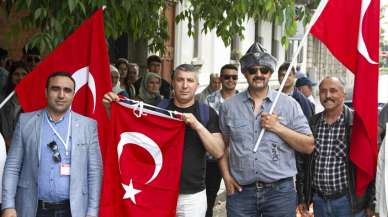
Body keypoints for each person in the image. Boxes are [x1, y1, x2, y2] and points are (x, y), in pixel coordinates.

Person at [103, 64, 225, 217]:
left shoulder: (207, 113)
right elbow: (129, 131)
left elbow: (218, 151)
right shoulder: (157, 109)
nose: (185, 85)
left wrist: (197, 125)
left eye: (190, 80)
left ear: (197, 85)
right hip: (158, 192)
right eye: (180, 80)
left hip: (191, 196)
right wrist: (111, 109)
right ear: (173, 82)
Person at [218, 43, 314, 217]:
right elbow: (221, 147)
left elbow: (308, 146)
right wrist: (226, 177)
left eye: (264, 70)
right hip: (241, 194)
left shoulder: (289, 105)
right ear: (245, 73)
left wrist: (277, 128)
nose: (259, 74)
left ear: (270, 73)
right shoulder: (229, 107)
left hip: (280, 193)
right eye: (253, 70)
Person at [1, 72, 103, 217]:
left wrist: (92, 212)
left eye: (67, 90)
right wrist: (8, 205)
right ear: (46, 92)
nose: (61, 95)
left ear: (74, 94)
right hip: (32, 209)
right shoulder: (25, 122)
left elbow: (94, 172)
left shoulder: (88, 126)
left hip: (73, 211)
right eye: (55, 89)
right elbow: (12, 167)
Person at [298, 76, 374, 217]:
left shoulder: (357, 124)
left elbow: (370, 165)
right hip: (319, 202)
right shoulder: (312, 123)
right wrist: (303, 197)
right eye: (323, 91)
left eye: (333, 91)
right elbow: (302, 163)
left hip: (349, 203)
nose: (328, 96)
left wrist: (371, 203)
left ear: (343, 94)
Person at [204, 64, 238, 217]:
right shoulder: (209, 100)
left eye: (234, 77)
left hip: (237, 158)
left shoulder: (245, 100)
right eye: (227, 77)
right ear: (221, 78)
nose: (231, 80)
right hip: (212, 158)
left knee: (237, 198)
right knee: (209, 197)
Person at [0, 61, 29, 150]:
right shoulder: (2, 100)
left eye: (24, 74)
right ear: (11, 77)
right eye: (16, 74)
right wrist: (4, 140)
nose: (20, 77)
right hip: (3, 151)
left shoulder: (33, 101)